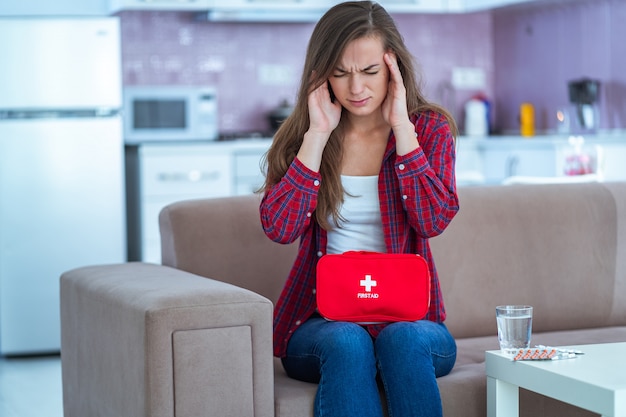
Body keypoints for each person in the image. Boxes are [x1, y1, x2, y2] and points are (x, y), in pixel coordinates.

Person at [259, 1, 459, 416]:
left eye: (370, 72)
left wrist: (402, 127)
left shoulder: (429, 130)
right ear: (320, 75)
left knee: (400, 340)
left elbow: (433, 219)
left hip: (412, 323)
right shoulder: (306, 135)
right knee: (347, 341)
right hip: (321, 323)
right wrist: (316, 134)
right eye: (340, 73)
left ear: (394, 69)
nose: (356, 89)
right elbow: (278, 228)